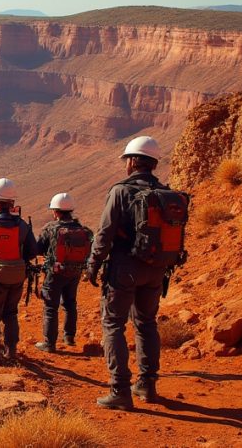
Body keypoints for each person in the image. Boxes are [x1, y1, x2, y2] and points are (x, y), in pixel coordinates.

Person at [86, 135, 178, 410]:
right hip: (156, 269)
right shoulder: (164, 193)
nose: (126, 164)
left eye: (127, 160)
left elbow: (104, 234)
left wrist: (93, 264)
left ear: (134, 161)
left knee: (113, 324)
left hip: (124, 268)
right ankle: (147, 385)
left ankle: (120, 390)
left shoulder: (120, 191)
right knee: (146, 323)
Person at [0, 177, 39, 363]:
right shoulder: (22, 225)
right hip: (17, 277)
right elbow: (32, 251)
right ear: (12, 201)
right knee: (11, 314)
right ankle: (10, 351)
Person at [34, 192, 92, 353]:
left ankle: (49, 343)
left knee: (51, 307)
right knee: (70, 303)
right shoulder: (83, 230)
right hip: (75, 272)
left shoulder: (51, 228)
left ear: (56, 211)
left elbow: (38, 249)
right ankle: (69, 337)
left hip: (55, 273)